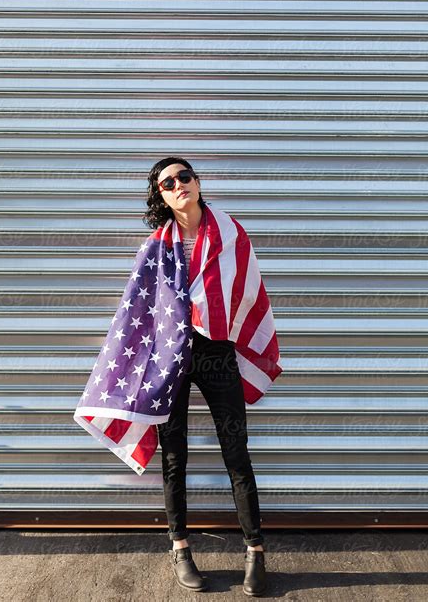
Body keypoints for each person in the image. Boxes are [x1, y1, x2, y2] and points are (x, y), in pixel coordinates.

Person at [142, 156, 268, 596]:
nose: (178, 185)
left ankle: (255, 552)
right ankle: (180, 548)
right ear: (160, 195)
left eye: (184, 177)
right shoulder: (157, 246)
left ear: (197, 182)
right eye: (167, 183)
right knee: (174, 459)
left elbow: (248, 290)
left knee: (237, 453)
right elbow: (142, 311)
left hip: (216, 351)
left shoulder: (231, 234)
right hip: (172, 355)